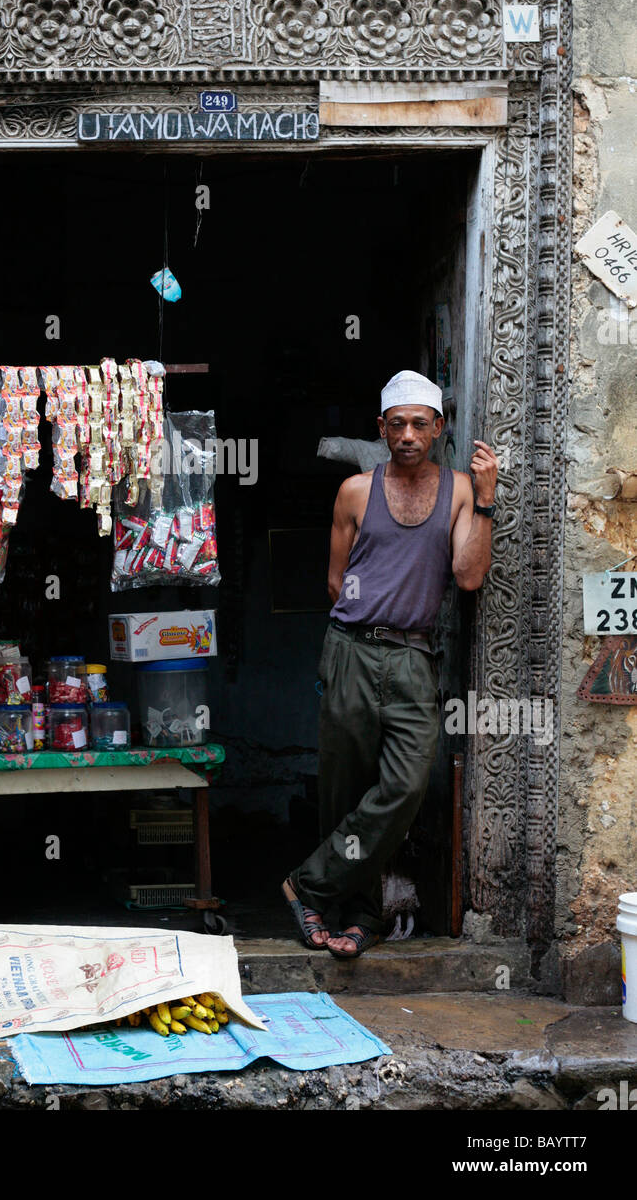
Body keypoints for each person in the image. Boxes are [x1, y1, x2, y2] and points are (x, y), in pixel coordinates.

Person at [281, 370, 498, 958]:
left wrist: (485, 500)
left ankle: (307, 885)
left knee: (404, 785)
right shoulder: (355, 491)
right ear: (380, 428)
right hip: (351, 647)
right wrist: (364, 628)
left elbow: (470, 575)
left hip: (413, 655)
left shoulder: (458, 491)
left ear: (438, 429)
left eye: (419, 424)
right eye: (396, 424)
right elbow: (335, 581)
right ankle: (359, 915)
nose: (407, 434)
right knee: (344, 790)